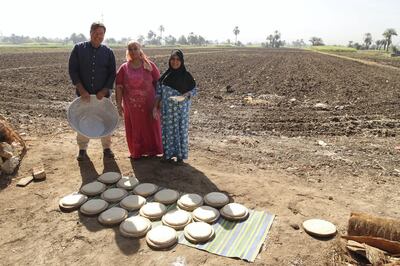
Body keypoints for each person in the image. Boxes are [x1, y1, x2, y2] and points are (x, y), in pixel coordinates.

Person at [68, 22, 116, 161]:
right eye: (96, 33)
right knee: (82, 120)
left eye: (101, 34)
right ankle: (82, 149)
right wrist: (82, 90)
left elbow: (112, 74)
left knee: (106, 120)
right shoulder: (78, 49)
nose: (99, 36)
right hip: (84, 96)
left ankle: (107, 148)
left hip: (103, 97)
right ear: (90, 32)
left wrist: (104, 90)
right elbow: (73, 70)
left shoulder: (108, 52)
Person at [115, 41, 163, 160]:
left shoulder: (149, 65)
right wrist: (118, 104)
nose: (133, 51)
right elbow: (119, 86)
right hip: (131, 107)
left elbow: (159, 83)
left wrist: (159, 102)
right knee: (135, 127)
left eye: (135, 48)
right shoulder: (124, 68)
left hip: (149, 105)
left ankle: (153, 151)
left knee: (150, 126)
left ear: (140, 50)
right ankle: (137, 152)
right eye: (130, 49)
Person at [153, 49, 197, 164]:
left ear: (182, 61)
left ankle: (180, 156)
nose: (175, 62)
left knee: (180, 131)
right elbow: (158, 93)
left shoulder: (186, 76)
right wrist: (155, 107)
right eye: (172, 59)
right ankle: (167, 154)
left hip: (181, 111)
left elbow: (194, 90)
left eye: (178, 59)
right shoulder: (164, 77)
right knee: (167, 131)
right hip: (167, 111)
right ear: (169, 60)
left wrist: (187, 94)